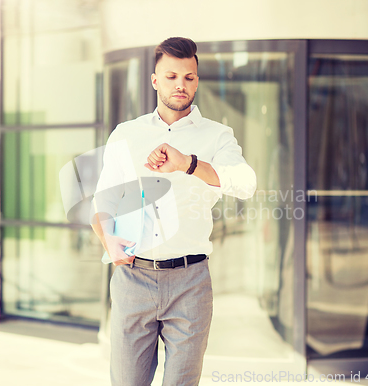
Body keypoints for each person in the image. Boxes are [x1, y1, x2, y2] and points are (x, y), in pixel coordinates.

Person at [90, 37, 256, 386]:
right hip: (133, 279)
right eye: (171, 76)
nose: (181, 84)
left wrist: (188, 164)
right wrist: (110, 242)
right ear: (155, 80)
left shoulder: (217, 135)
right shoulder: (126, 134)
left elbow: (245, 183)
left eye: (189, 77)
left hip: (190, 282)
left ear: (197, 80)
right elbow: (102, 203)